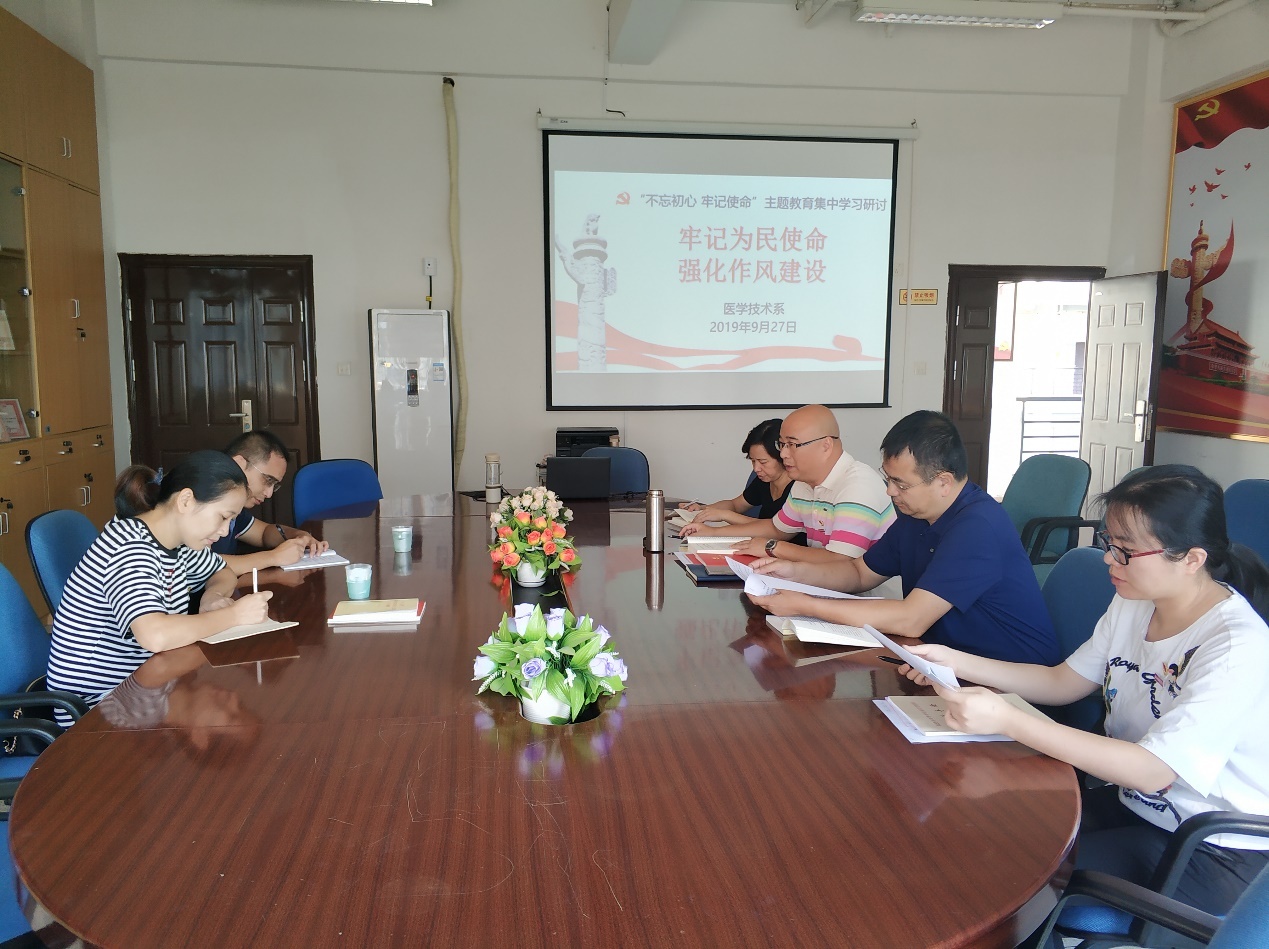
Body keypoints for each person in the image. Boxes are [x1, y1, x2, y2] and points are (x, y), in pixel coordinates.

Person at [899, 464, 1269, 922]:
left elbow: (1153, 770)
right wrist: (956, 661)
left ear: (1191, 559)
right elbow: (1063, 683)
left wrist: (1009, 720)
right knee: (983, 831)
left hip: (1210, 848)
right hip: (1136, 805)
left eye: (1126, 551)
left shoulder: (1235, 647)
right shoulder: (1136, 602)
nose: (1109, 560)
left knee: (1010, 879)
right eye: (1109, 543)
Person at [749, 410, 1059, 665]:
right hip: (941, 660)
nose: (889, 491)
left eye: (901, 484)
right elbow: (859, 572)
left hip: (1008, 676)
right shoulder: (916, 515)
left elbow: (911, 619)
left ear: (943, 482)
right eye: (888, 479)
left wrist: (806, 605)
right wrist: (794, 573)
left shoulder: (978, 527)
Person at [46, 450, 275, 718]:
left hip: (146, 688)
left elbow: (222, 572)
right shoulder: (130, 548)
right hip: (99, 711)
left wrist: (212, 597)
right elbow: (155, 635)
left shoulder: (176, 540)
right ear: (186, 500)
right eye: (223, 517)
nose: (225, 531)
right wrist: (234, 615)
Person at [684, 405, 895, 564]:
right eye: (782, 444)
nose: (783, 454)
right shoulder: (804, 483)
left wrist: (772, 548)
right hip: (820, 585)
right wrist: (711, 533)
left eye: (792, 445)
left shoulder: (857, 487)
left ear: (826, 445)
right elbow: (776, 528)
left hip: (866, 600)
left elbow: (840, 561)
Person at [215, 429, 328, 571]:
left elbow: (263, 533)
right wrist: (273, 557)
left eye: (274, 485)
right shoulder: (204, 501)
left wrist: (298, 536)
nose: (269, 494)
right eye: (268, 480)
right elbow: (201, 565)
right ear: (239, 464)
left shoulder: (234, 506)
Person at [681, 419, 795, 524]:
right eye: (753, 461)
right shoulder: (764, 480)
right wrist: (702, 510)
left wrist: (725, 515)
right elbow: (735, 505)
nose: (756, 468)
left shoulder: (798, 489)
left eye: (763, 462)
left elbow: (775, 528)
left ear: (783, 456)